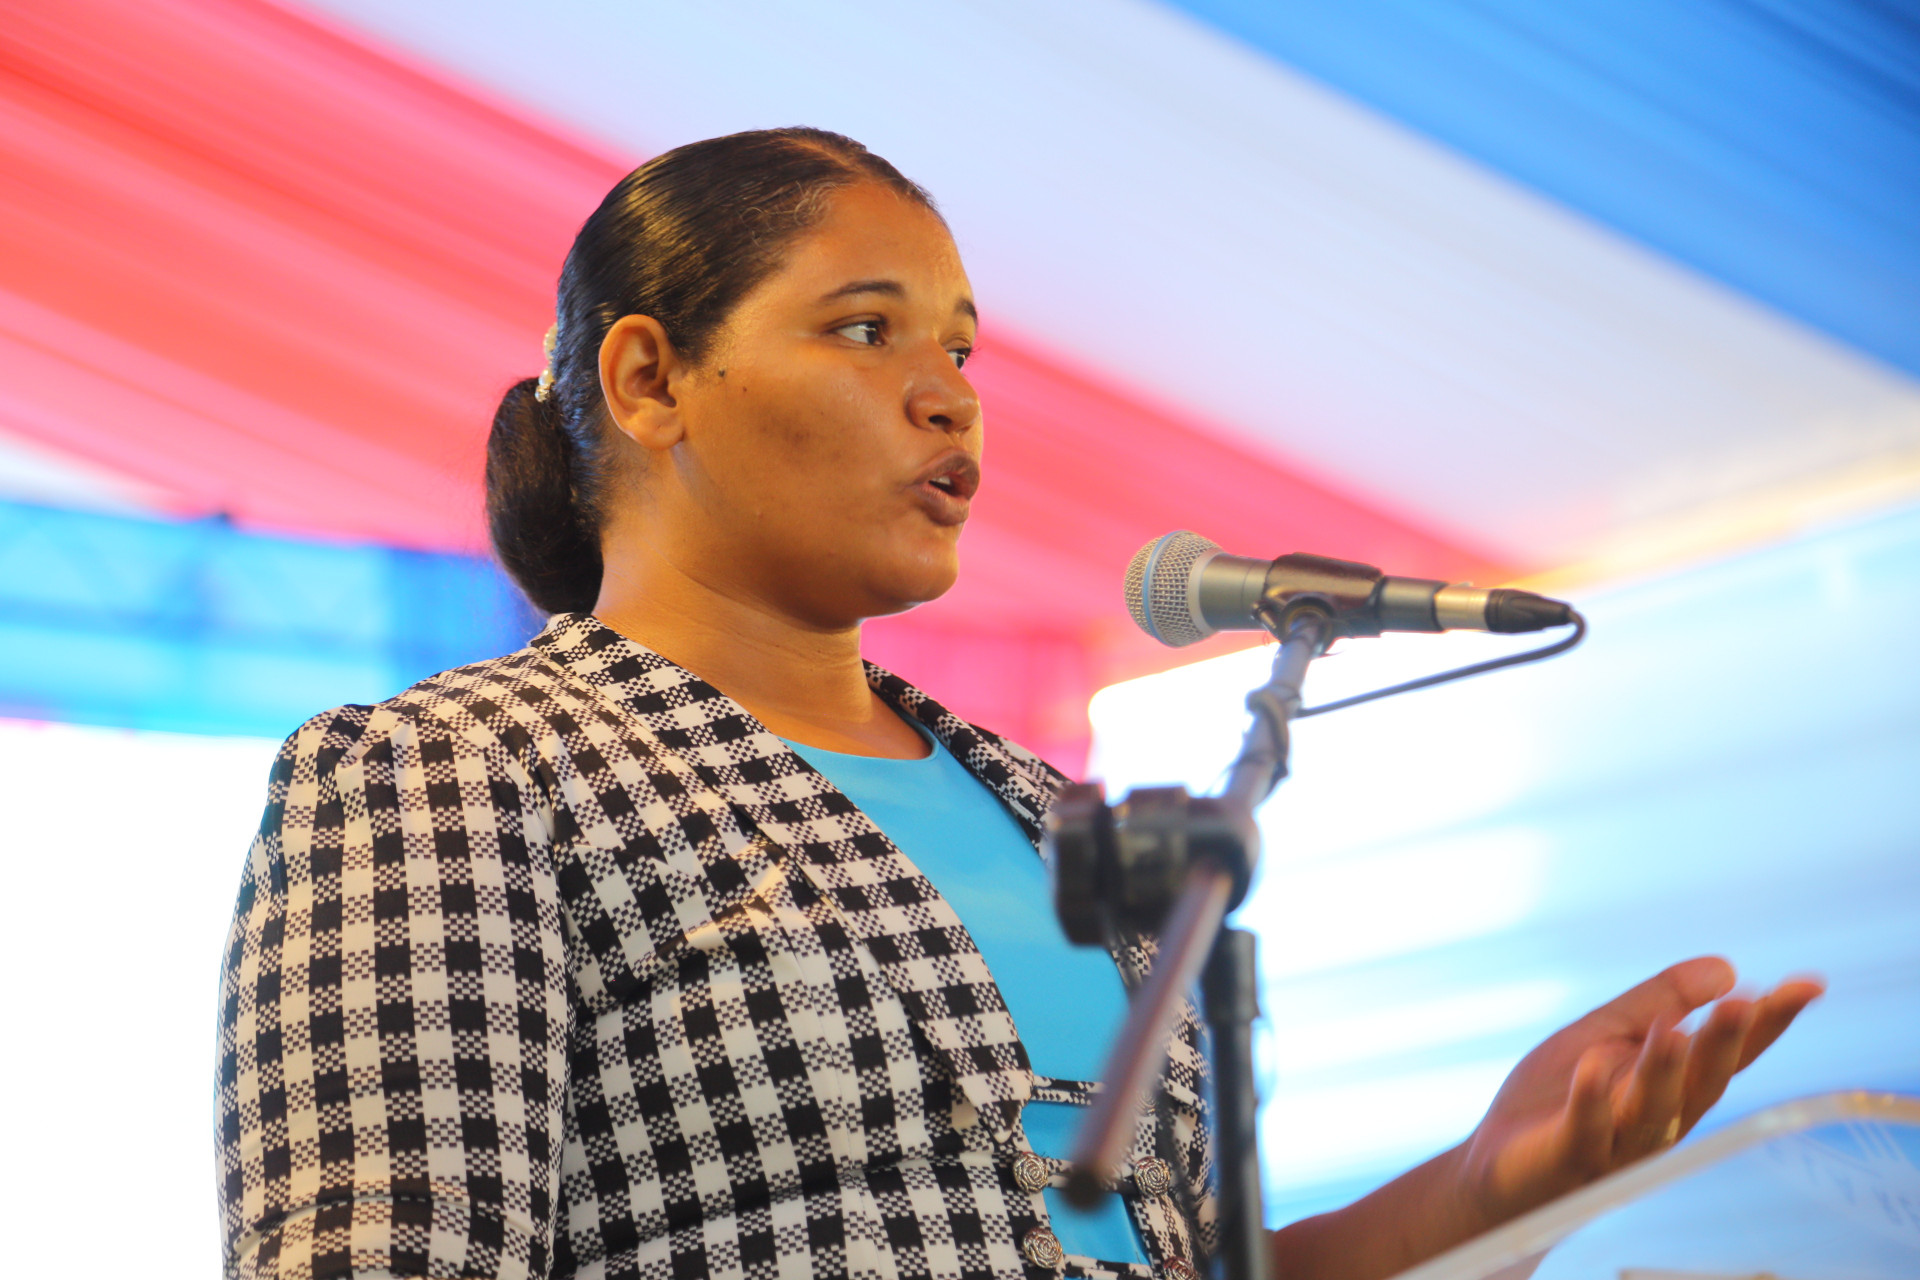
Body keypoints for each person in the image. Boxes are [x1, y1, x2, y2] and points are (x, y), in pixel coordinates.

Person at [214, 128, 1822, 1280]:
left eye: (963, 352)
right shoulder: (455, 768)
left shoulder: (1052, 816)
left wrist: (1490, 1183)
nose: (948, 397)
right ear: (650, 381)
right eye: (864, 331)